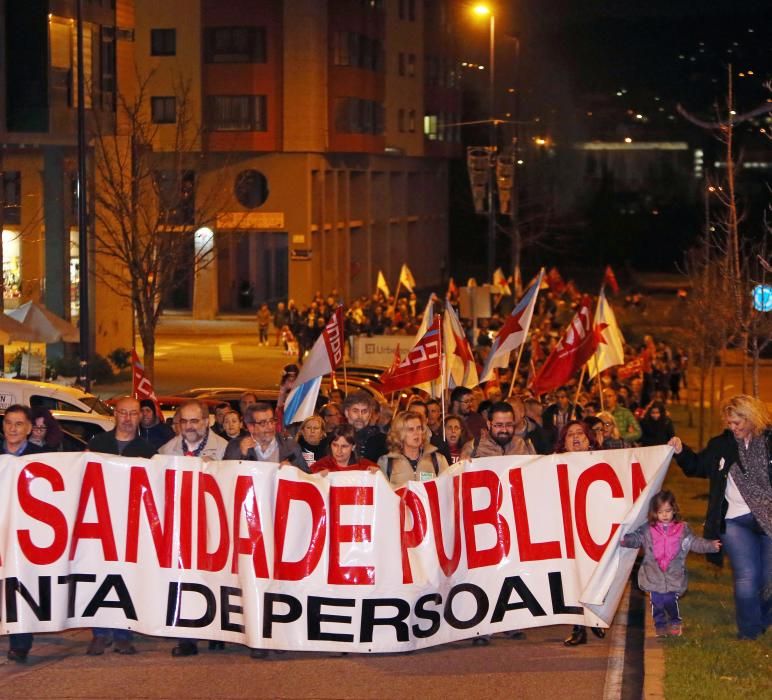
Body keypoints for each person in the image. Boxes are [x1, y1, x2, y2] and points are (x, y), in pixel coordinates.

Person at [669, 395, 772, 640]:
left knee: (768, 577)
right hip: (735, 521)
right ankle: (749, 632)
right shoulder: (721, 445)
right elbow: (697, 467)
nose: (733, 428)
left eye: (738, 423)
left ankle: (763, 619)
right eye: (730, 423)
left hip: (769, 518)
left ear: (752, 418)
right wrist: (681, 451)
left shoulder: (769, 442)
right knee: (747, 576)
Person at [85, 397, 156, 657]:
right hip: (99, 523)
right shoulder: (97, 444)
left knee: (127, 578)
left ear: (141, 416)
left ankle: (124, 633)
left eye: (133, 413)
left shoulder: (148, 450)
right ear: (115, 415)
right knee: (98, 577)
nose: (127, 418)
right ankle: (99, 634)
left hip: (131, 526)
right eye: (123, 413)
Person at [621, 490, 720, 637]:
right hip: (653, 573)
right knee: (656, 602)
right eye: (660, 512)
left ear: (674, 509)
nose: (665, 515)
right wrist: (625, 539)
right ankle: (659, 625)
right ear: (654, 513)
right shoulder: (648, 529)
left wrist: (710, 546)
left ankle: (674, 621)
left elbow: (694, 542)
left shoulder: (682, 530)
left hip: (673, 574)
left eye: (668, 511)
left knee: (669, 600)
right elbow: (637, 539)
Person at [554, 420, 607, 646]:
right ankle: (578, 628)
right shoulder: (553, 463)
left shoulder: (603, 462)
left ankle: (595, 618)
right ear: (563, 442)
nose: (575, 438)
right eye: (570, 435)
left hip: (595, 528)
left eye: (580, 434)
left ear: (589, 439)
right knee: (573, 578)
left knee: (595, 576)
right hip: (566, 529)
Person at [3, 404, 46, 662]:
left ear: (29, 429)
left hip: (25, 536)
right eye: (8, 423)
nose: (12, 429)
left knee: (19, 588)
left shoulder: (43, 459)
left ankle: (20, 643)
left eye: (19, 424)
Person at [224, 402, 307, 472]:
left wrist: (294, 471)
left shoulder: (290, 446)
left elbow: (307, 477)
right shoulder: (235, 446)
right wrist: (241, 454)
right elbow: (225, 476)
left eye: (272, 421)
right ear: (250, 427)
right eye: (263, 423)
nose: (270, 426)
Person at [377, 410, 449, 489]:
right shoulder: (386, 462)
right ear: (400, 433)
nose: (416, 433)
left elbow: (447, 491)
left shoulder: (438, 460)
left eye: (419, 428)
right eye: (411, 429)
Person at [461, 401, 535, 459]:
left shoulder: (522, 445)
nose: (504, 430)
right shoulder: (473, 447)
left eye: (509, 425)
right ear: (489, 424)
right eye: (499, 425)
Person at [159, 400, 228, 461]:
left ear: (206, 422)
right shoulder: (167, 450)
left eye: (194, 421)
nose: (188, 426)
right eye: (184, 421)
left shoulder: (224, 449)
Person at [310, 424, 379, 474]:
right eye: (335, 445)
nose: (339, 451)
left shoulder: (366, 467)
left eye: (344, 446)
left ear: (353, 447)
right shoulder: (319, 467)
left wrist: (377, 475)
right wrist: (317, 478)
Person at [343, 392, 380, 460]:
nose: (360, 416)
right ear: (346, 413)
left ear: (370, 414)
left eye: (364, 411)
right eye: (355, 411)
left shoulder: (381, 440)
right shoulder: (336, 437)